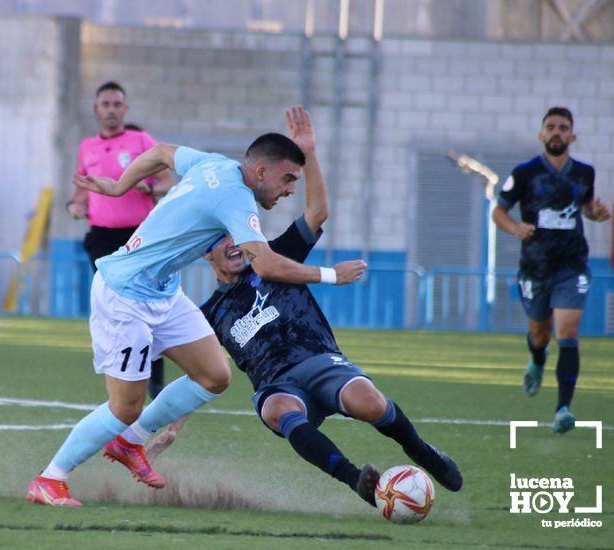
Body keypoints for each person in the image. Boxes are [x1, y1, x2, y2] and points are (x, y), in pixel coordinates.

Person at [27, 106, 354, 507]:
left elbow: (162, 152)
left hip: (163, 292)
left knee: (214, 375)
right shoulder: (236, 198)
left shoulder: (214, 164)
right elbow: (265, 264)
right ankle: (50, 478)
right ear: (262, 172)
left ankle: (130, 444)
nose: (289, 190)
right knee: (124, 407)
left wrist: (119, 187)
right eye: (288, 179)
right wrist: (331, 275)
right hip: (124, 294)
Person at [146, 107, 463, 507]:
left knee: (368, 402)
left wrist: (309, 152)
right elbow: (202, 376)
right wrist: (171, 430)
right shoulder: (208, 314)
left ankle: (420, 451)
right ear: (204, 252)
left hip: (319, 360)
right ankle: (356, 480)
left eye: (236, 235)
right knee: (278, 410)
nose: (232, 243)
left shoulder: (278, 257)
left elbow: (317, 212)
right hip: (276, 385)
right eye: (221, 239)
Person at [492, 106, 611, 434]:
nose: (556, 132)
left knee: (567, 333)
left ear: (572, 136)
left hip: (572, 266)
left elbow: (584, 206)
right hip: (534, 268)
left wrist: (595, 213)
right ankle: (537, 359)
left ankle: (563, 409)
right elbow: (498, 212)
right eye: (551, 127)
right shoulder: (525, 172)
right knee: (540, 334)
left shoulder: (584, 172)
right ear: (541, 134)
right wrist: (516, 228)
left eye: (562, 128)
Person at [67, 81, 176, 398]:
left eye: (117, 104)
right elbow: (81, 191)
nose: (112, 110)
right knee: (114, 308)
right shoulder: (87, 147)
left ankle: (153, 380)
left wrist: (150, 188)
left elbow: (168, 181)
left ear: (125, 109)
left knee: (143, 306)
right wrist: (74, 206)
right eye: (106, 104)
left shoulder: (141, 140)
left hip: (138, 237)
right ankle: (122, 376)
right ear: (96, 109)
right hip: (101, 237)